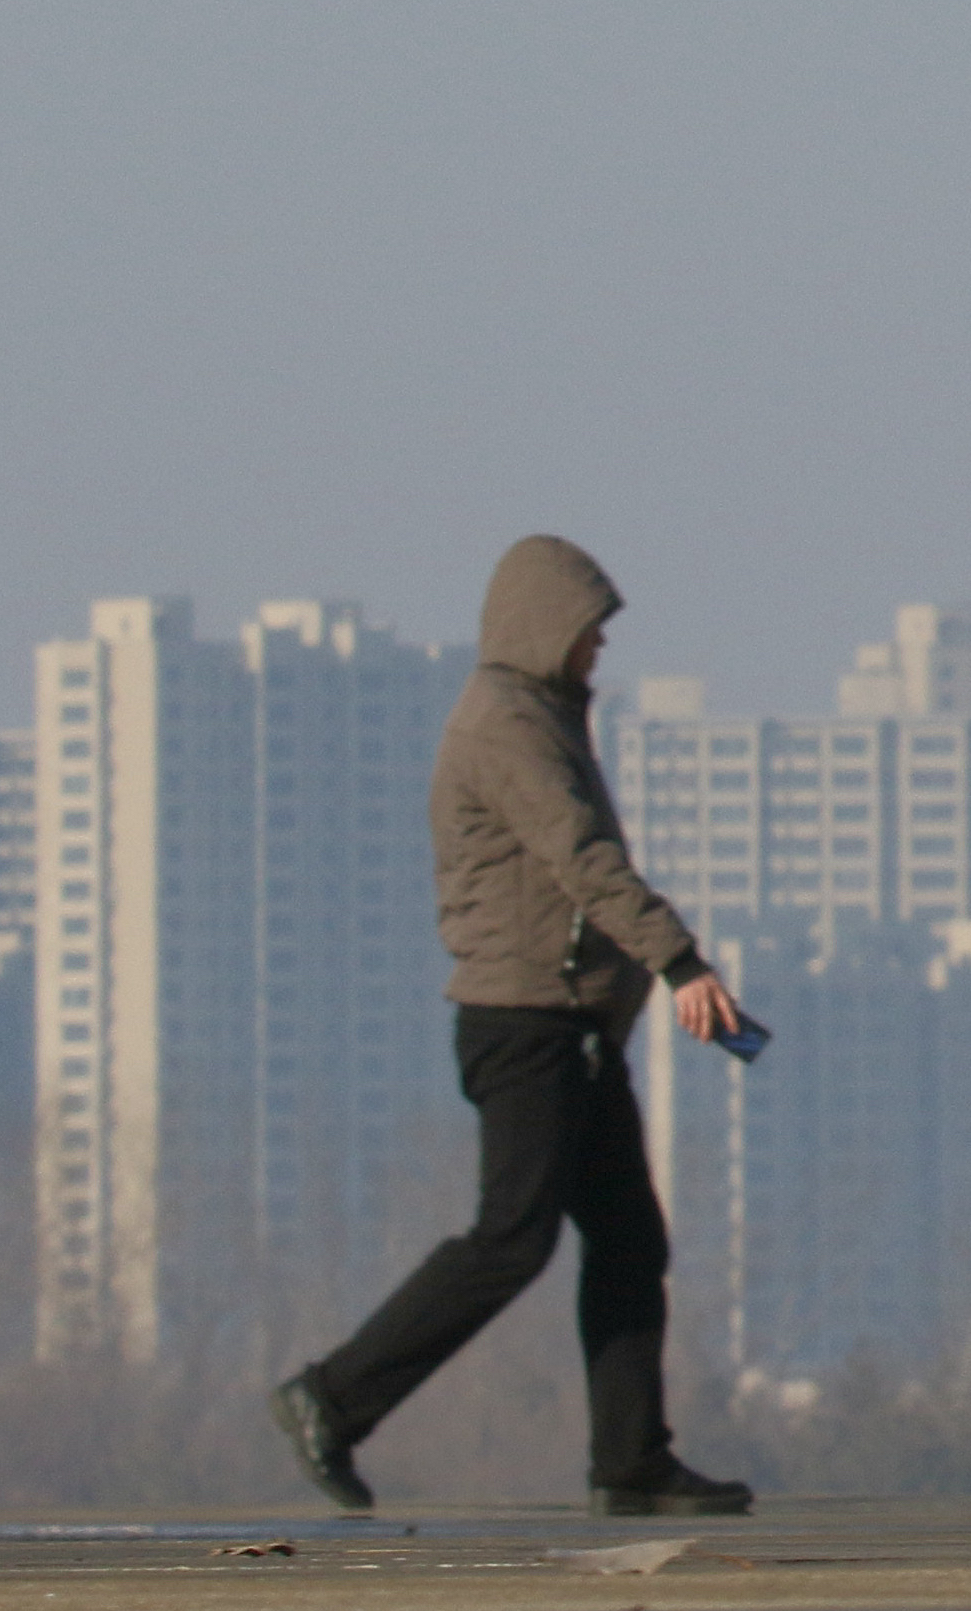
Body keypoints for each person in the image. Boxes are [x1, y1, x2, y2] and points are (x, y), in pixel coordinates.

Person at [270, 535, 758, 1518]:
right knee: (511, 1240)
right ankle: (332, 1396)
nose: (599, 651)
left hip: (571, 1027)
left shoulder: (543, 715)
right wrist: (677, 960)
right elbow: (583, 860)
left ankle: (632, 1461)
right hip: (524, 1028)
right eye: (590, 633)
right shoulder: (505, 725)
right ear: (546, 627)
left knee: (627, 1242)